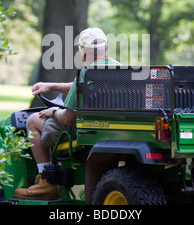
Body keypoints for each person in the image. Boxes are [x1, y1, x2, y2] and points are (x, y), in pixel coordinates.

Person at [13, 27, 120, 200]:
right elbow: (83, 86)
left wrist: (54, 111)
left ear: (84, 53)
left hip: (85, 131)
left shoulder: (86, 74)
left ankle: (46, 182)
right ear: (106, 48)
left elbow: (68, 119)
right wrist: (51, 86)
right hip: (113, 129)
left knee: (33, 120)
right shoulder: (121, 70)